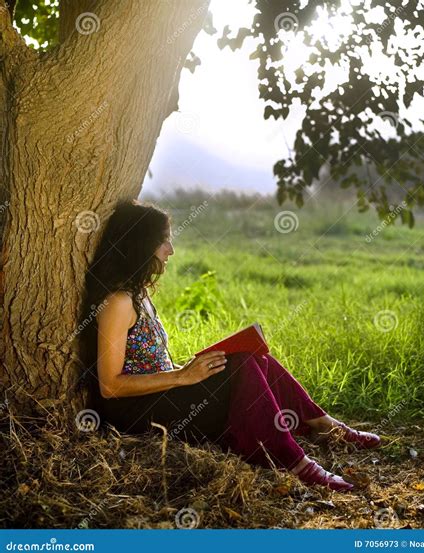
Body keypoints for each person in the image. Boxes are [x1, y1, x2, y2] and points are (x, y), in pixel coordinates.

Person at [79, 200, 381, 493]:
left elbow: (150, 362)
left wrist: (188, 372)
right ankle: (295, 461)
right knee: (242, 364)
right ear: (140, 245)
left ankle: (324, 424)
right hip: (135, 413)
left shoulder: (140, 293)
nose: (171, 250)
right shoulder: (118, 302)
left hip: (160, 393)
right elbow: (110, 386)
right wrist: (183, 377)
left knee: (251, 357)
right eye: (163, 242)